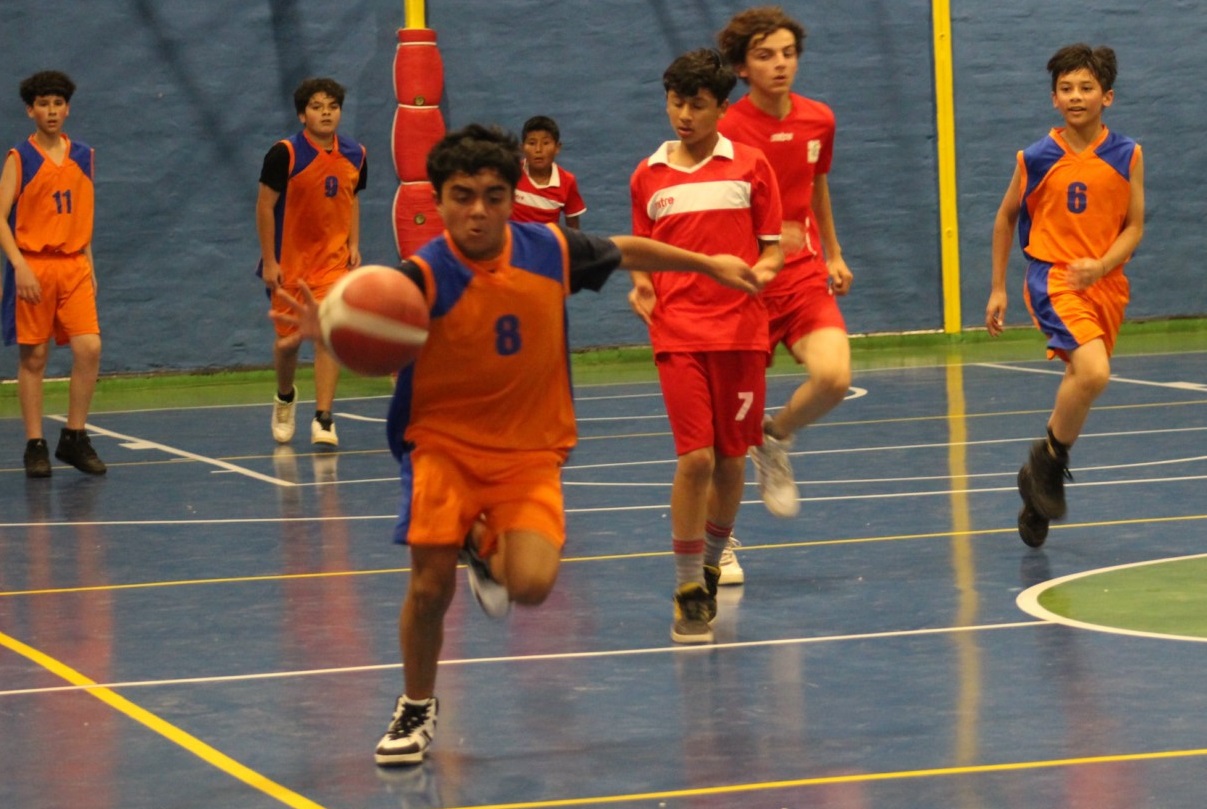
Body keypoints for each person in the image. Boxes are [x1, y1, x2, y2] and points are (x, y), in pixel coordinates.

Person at [272, 124, 770, 765]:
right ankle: (417, 705)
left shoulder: (551, 251)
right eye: (461, 196)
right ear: (440, 200)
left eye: (492, 195)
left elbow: (628, 247)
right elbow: (376, 348)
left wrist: (708, 264)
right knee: (428, 587)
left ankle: (483, 545)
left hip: (530, 451)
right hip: (442, 446)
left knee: (532, 588)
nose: (476, 210)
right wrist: (332, 330)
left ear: (511, 197)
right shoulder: (418, 277)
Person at [628, 48, 784, 644]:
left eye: (697, 104)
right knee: (693, 459)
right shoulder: (649, 174)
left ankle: (715, 560)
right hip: (678, 332)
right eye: (676, 102)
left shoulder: (751, 166)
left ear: (722, 107)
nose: (684, 115)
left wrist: (763, 272)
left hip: (742, 332)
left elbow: (772, 247)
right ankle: (689, 585)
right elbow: (643, 252)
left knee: (729, 459)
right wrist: (642, 285)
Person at [985, 44, 1144, 548]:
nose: (1076, 96)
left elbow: (1134, 226)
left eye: (1086, 88)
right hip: (1054, 278)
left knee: (1083, 379)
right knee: (1094, 371)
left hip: (1105, 283)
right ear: (1054, 98)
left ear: (1108, 96)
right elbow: (1006, 216)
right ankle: (1047, 465)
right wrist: (997, 288)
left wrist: (1102, 264)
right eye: (1066, 88)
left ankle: (1040, 481)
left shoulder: (1127, 154)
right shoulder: (1036, 157)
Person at [716, 6, 856, 539]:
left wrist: (834, 253)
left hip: (801, 276)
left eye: (789, 53)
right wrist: (763, 239)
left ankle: (774, 437)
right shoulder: (726, 129)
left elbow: (816, 185)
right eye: (765, 55)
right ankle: (716, 547)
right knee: (721, 442)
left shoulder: (819, 119)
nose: (780, 64)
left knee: (834, 377)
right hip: (743, 285)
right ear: (742, 67)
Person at [0, 70, 105, 478]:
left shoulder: (83, 155)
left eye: (58, 103)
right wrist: (19, 266)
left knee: (90, 348)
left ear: (67, 108)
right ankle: (34, 444)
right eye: (43, 104)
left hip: (75, 263)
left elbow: (83, 212)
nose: (51, 110)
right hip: (34, 264)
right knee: (36, 356)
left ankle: (74, 437)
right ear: (31, 110)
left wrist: (89, 263)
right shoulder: (19, 158)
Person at [256, 77, 366, 447]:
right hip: (290, 265)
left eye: (332, 107)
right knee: (288, 346)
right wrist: (270, 261)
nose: (326, 113)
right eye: (317, 107)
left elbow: (352, 199)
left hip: (333, 264)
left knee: (327, 335)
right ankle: (285, 396)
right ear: (303, 115)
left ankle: (324, 418)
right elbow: (265, 206)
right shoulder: (284, 154)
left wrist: (354, 242)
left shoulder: (356, 154)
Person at [509, 115, 586, 228]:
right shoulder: (510, 172)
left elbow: (573, 227)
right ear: (522, 148)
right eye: (532, 143)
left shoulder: (567, 182)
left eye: (546, 143)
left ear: (557, 148)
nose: (538, 150)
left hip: (547, 244)